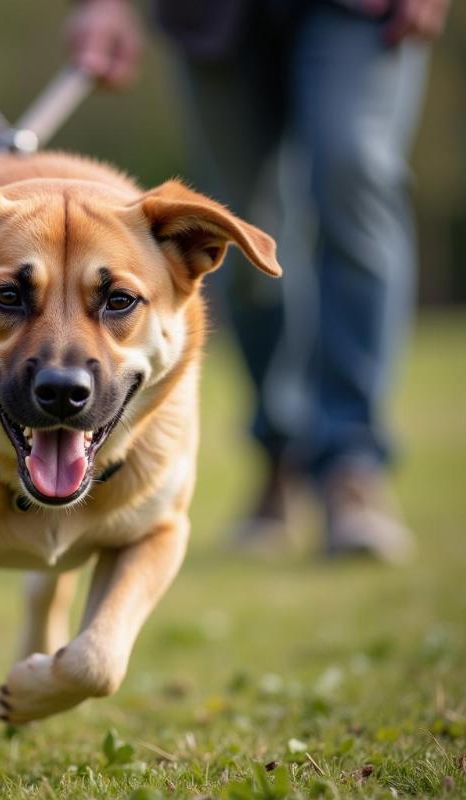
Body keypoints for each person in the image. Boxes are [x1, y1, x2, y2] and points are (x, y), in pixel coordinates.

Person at [66, 0, 449, 561]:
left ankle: (351, 464)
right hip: (218, 17)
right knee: (238, 233)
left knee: (355, 172)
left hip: (362, 12)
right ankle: (281, 447)